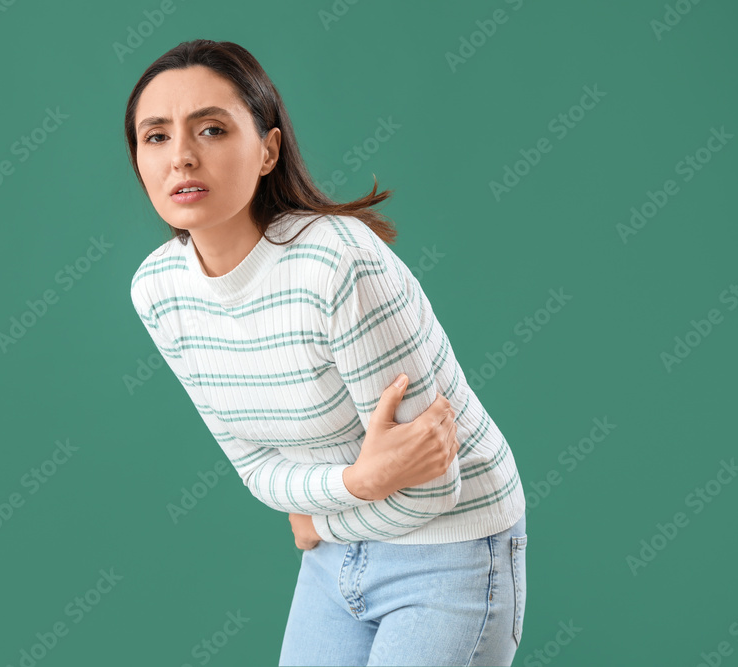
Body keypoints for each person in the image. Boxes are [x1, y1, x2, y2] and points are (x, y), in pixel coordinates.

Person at [126, 39, 528, 667]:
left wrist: (320, 517)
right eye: (155, 137)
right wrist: (356, 484)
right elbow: (257, 467)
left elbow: (432, 484)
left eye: (210, 128)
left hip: (452, 547)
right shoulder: (159, 291)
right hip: (336, 557)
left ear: (268, 149)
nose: (181, 156)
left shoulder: (337, 265)